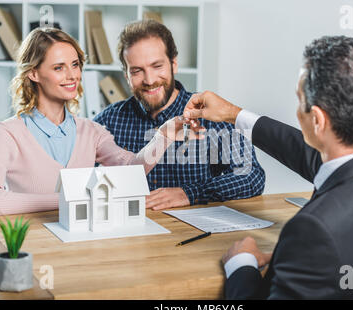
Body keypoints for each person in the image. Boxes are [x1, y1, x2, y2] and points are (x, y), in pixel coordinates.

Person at [183, 36, 353, 299]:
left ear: (317, 119)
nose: (297, 110)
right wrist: (233, 113)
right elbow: (306, 154)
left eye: (300, 100)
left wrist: (241, 263)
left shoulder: (313, 229)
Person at [0, 28, 194, 216]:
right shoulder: (6, 133)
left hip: (80, 243)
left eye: (75, 64)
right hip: (33, 246)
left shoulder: (91, 131)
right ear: (34, 73)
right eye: (59, 68)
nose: (72, 75)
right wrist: (69, 198)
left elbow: (131, 168)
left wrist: (162, 137)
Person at [94, 20, 265, 210]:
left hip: (192, 234)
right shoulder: (107, 121)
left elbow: (252, 176)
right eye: (137, 71)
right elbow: (78, 181)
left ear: (173, 64)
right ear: (126, 75)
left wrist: (189, 193)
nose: (149, 80)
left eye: (157, 66)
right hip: (129, 233)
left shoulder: (208, 114)